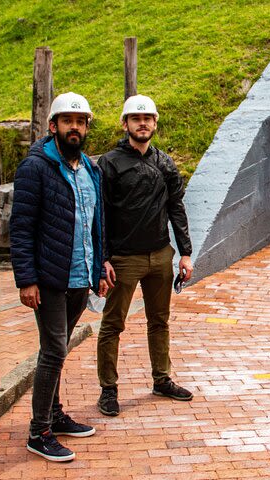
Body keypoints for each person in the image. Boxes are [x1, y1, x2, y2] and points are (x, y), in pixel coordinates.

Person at [10, 92, 108, 462]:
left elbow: (97, 224)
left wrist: (98, 268)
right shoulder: (35, 168)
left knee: (59, 348)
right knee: (54, 350)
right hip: (50, 278)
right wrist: (26, 279)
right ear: (53, 126)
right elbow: (20, 228)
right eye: (68, 121)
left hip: (80, 277)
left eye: (81, 122)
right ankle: (39, 432)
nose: (75, 127)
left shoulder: (91, 170)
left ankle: (54, 414)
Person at [96, 94, 193, 417]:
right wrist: (103, 258)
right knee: (113, 324)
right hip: (123, 259)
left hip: (161, 256)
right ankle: (108, 389)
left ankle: (161, 379)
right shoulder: (109, 164)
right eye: (136, 119)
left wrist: (185, 253)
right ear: (125, 124)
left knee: (160, 321)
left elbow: (176, 208)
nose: (142, 123)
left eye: (148, 118)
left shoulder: (164, 163)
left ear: (155, 123)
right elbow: (101, 214)